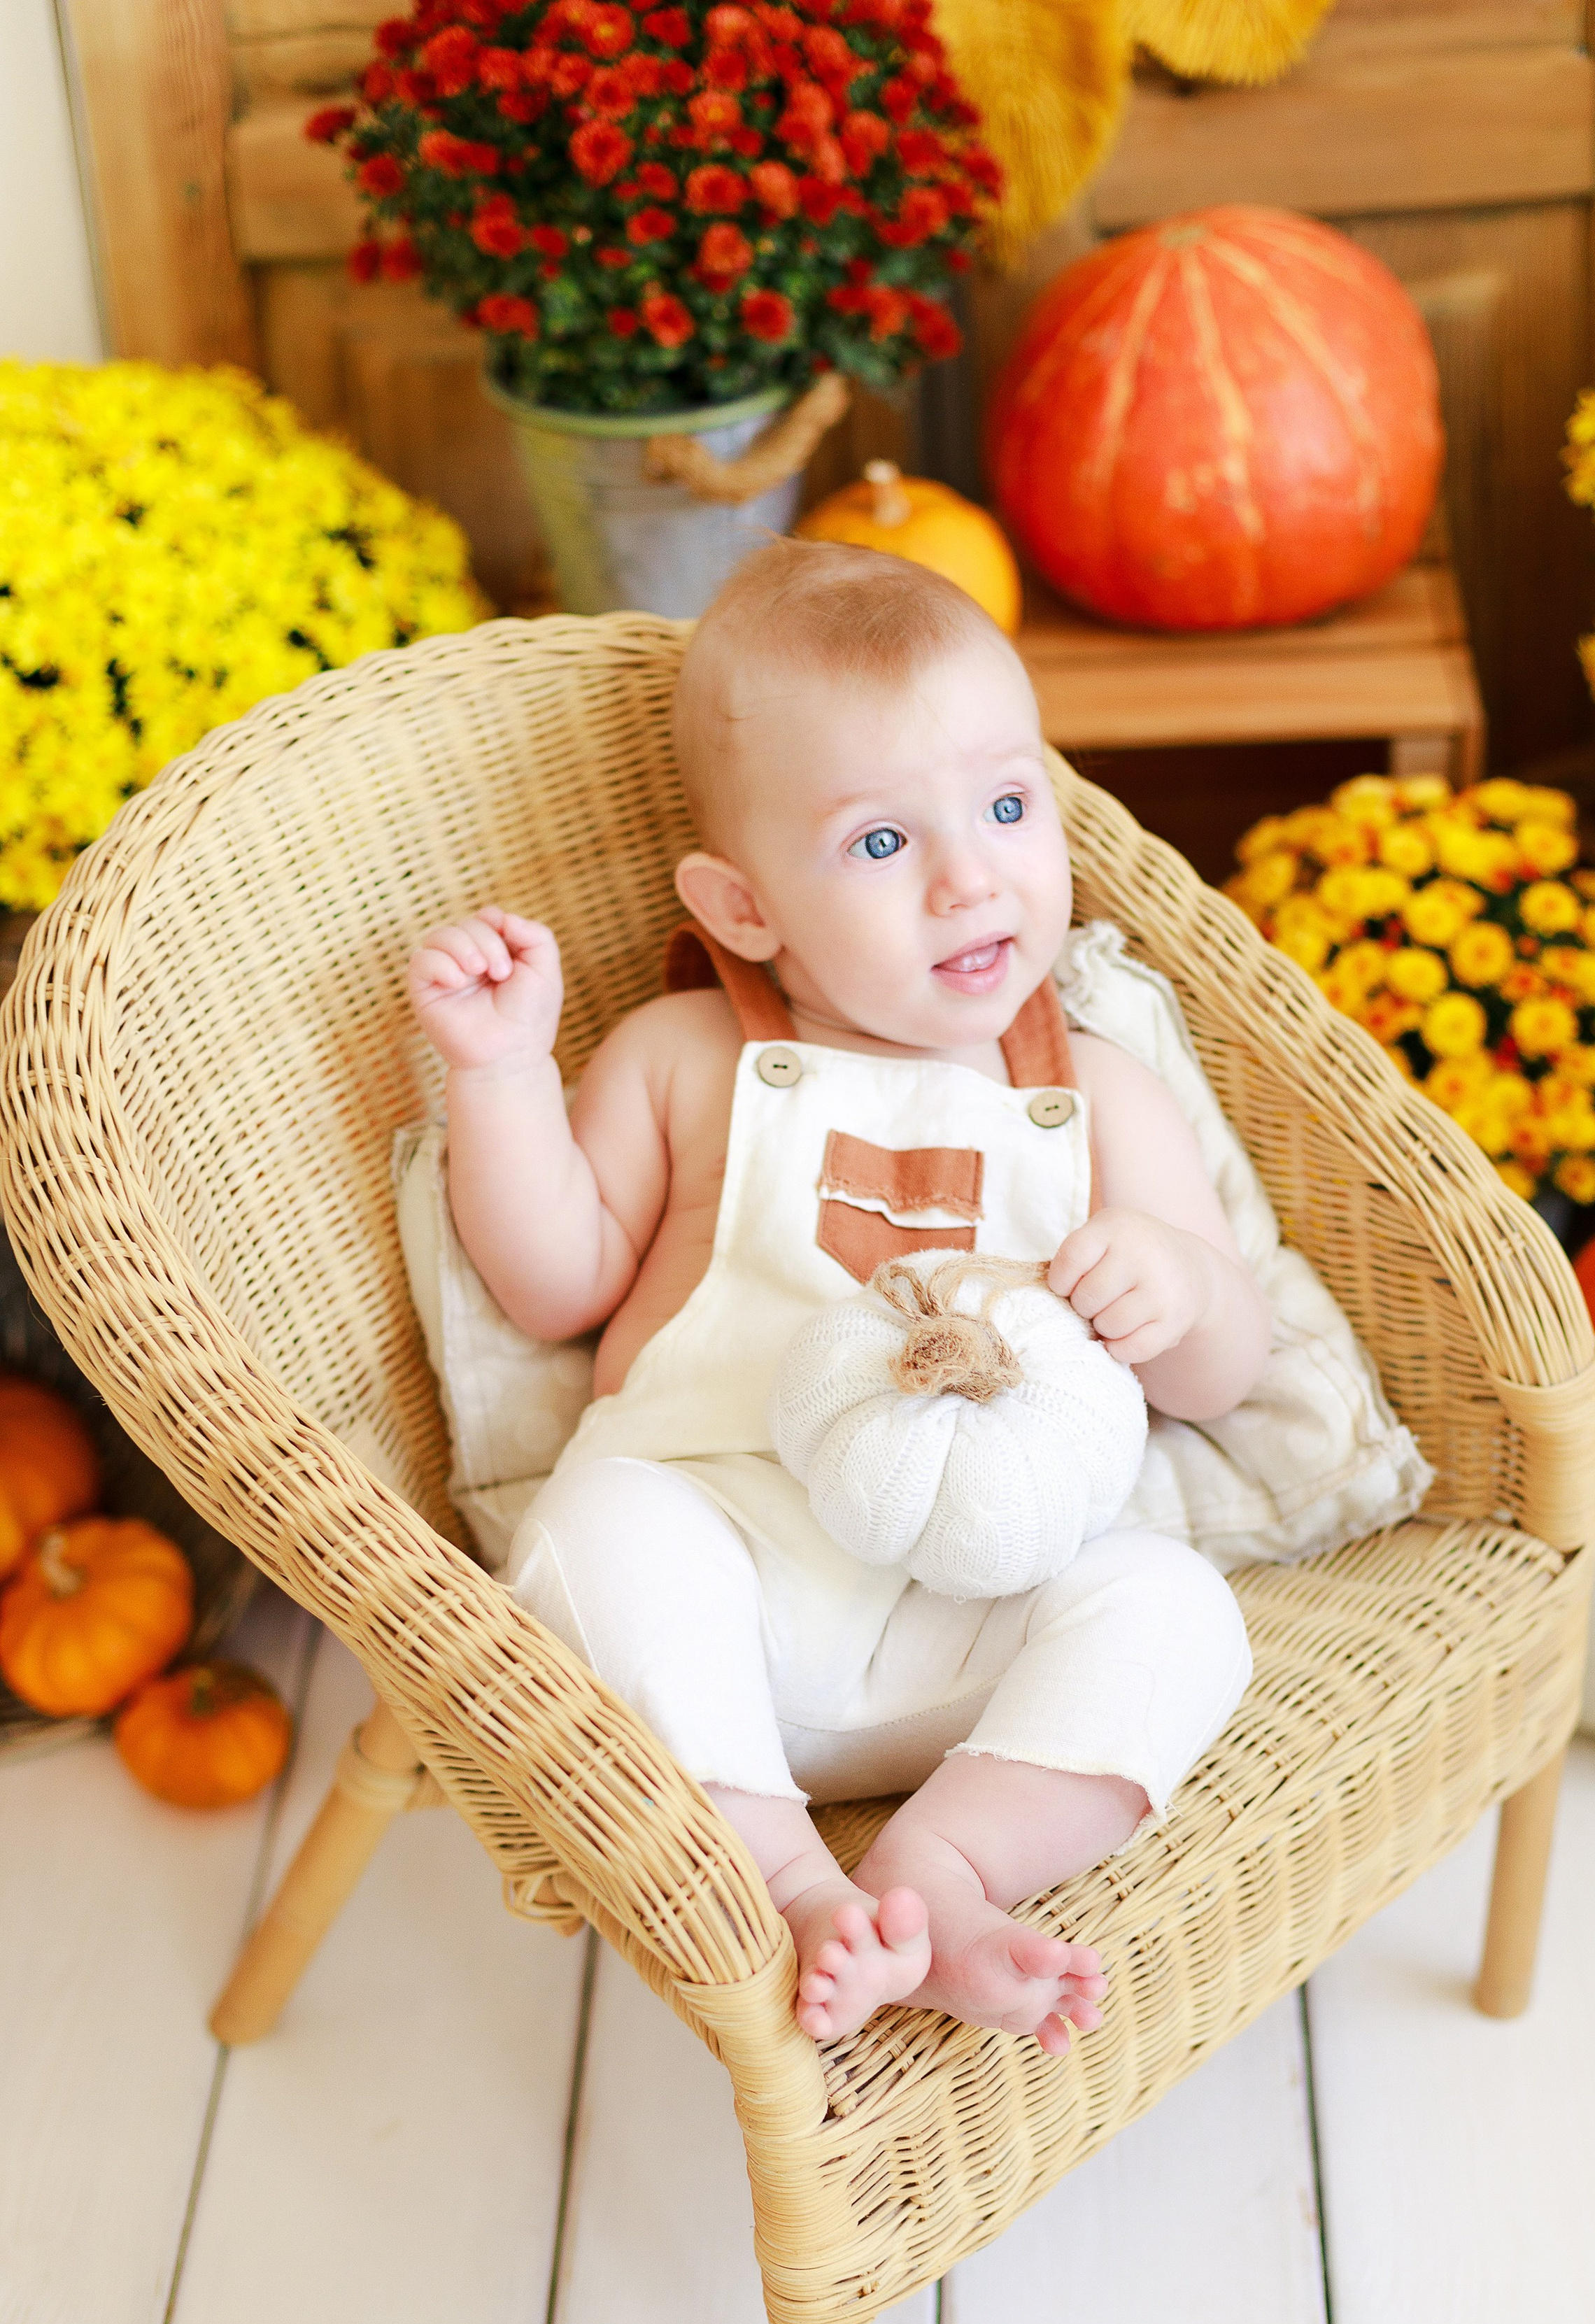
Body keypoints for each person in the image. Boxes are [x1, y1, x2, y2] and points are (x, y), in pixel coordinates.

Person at [409, 539, 1270, 2056]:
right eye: (881, 845)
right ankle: (796, 1886)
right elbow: (551, 1285)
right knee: (597, 1536)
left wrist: (1178, 1291)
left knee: (1174, 1612)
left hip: (984, 1617)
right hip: (720, 1595)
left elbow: (1223, 1371)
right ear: (742, 907)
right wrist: (500, 1081)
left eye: (1008, 806)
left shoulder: (1101, 1091)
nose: (970, 875)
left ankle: (943, 1872)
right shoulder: (684, 1059)